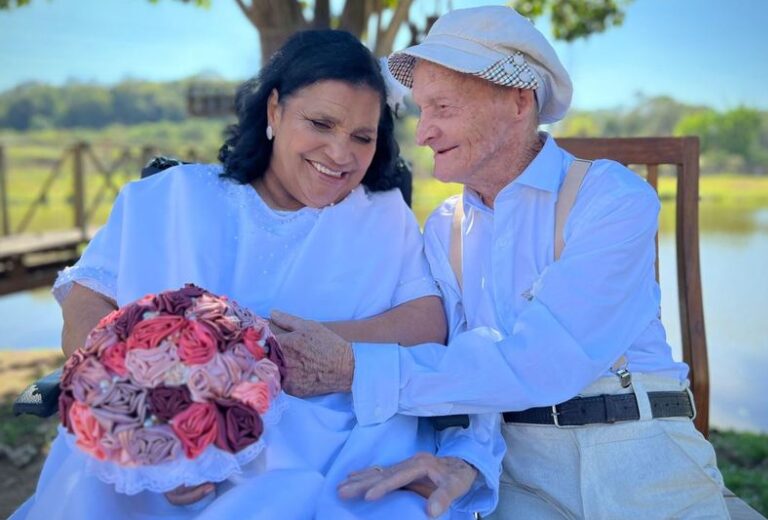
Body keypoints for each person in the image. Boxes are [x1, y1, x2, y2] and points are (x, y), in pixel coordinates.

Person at [12, 30, 501, 520]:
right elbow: (86, 303)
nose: (340, 154)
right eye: (321, 123)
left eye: (362, 137)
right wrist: (147, 427)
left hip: (321, 447)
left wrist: (297, 352)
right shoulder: (169, 198)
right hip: (156, 435)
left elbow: (427, 320)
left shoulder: (381, 217)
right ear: (273, 111)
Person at [272, 7, 730, 519]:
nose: (422, 134)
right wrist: (466, 459)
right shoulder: (444, 228)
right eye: (421, 110)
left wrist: (355, 367)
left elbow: (544, 362)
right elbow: (474, 366)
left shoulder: (611, 197)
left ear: (517, 101)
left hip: (642, 461)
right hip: (515, 478)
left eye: (442, 107)